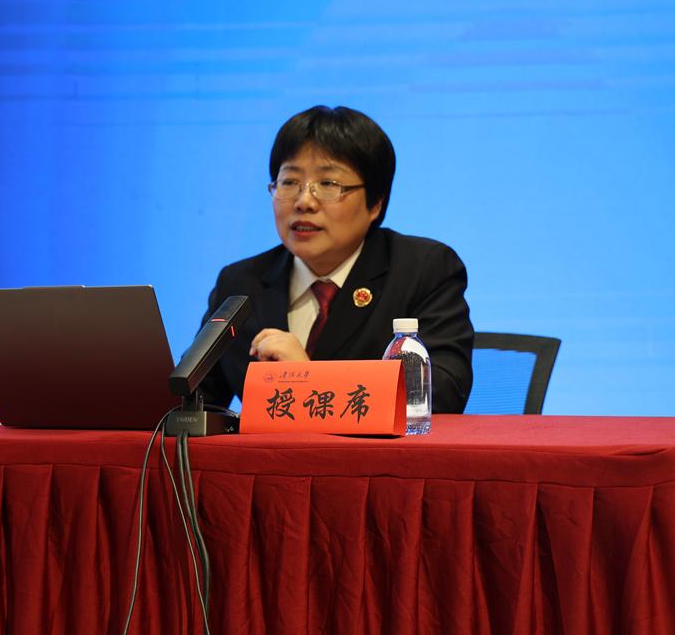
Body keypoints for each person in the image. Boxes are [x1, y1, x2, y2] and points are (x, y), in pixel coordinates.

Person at [199, 105, 474, 413]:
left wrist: (311, 380)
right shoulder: (241, 283)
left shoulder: (422, 270)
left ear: (375, 203)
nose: (304, 201)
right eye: (289, 182)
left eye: (328, 184)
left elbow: (441, 393)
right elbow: (191, 402)